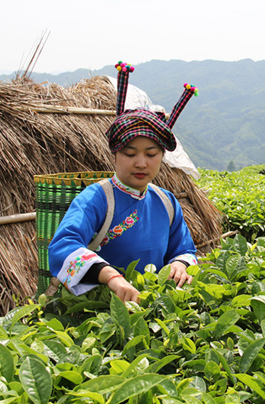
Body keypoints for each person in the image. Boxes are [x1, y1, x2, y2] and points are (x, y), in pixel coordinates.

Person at [49, 61, 200, 303]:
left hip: (154, 309)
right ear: (115, 154)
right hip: (100, 312)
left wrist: (181, 264)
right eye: (130, 154)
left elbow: (184, 249)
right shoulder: (96, 198)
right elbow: (63, 247)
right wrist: (111, 277)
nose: (141, 163)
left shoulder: (167, 202)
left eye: (151, 154)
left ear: (162, 156)